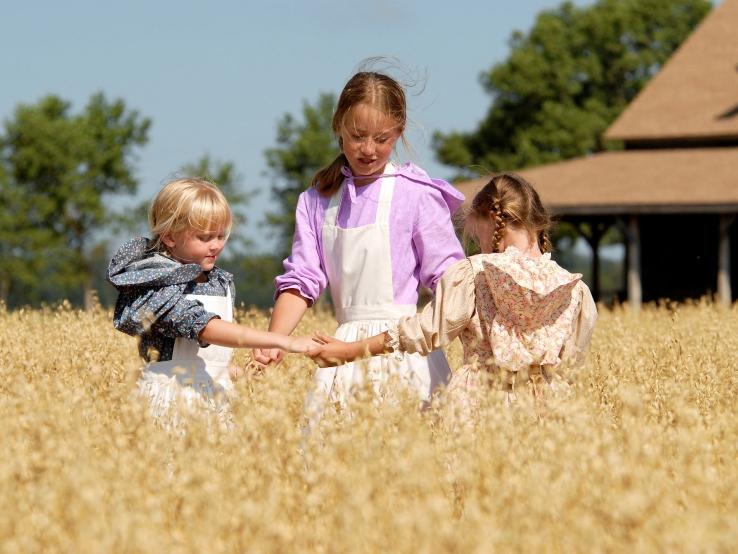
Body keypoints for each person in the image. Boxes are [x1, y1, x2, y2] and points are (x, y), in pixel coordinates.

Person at [253, 69, 466, 414]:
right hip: (341, 354)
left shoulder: (417, 194)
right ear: (338, 127)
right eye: (357, 136)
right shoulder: (316, 200)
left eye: (381, 139)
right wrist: (274, 340)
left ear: (398, 132)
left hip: (406, 353)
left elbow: (453, 282)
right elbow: (302, 280)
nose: (368, 149)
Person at [308, 173, 598, 420]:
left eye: (477, 235)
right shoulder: (575, 290)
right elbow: (571, 362)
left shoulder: (474, 275)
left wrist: (350, 350)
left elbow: (423, 332)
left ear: (491, 220)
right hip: (549, 410)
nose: (479, 243)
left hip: (482, 403)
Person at [108, 178, 315, 425]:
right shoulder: (157, 283)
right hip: (169, 400)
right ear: (170, 236)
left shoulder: (220, 282)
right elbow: (205, 327)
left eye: (221, 235)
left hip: (215, 401)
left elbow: (208, 363)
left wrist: (242, 372)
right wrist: (283, 340)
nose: (216, 245)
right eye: (205, 237)